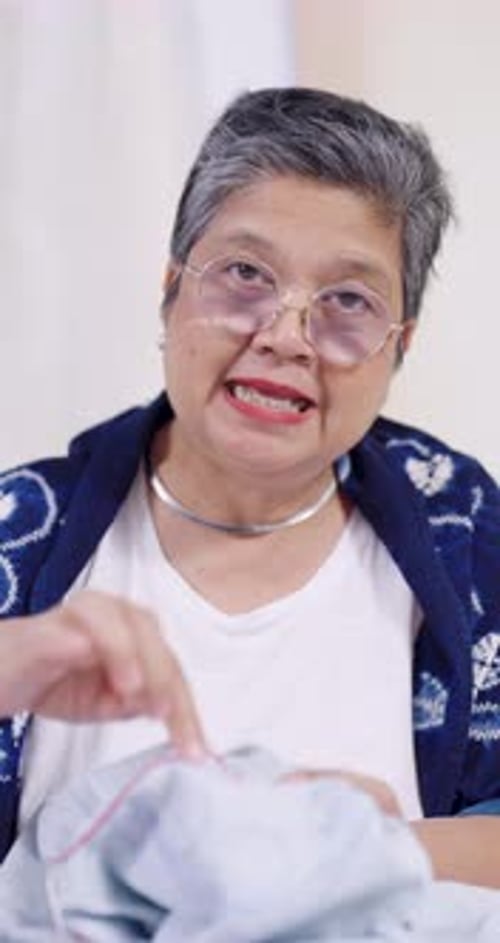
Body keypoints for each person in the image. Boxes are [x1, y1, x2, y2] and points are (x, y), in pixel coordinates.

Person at [0, 87, 499, 887]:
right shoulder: (17, 534)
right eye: (244, 273)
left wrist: (378, 849)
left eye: (348, 301)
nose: (285, 336)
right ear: (171, 287)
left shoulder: (467, 532)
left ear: (398, 346)